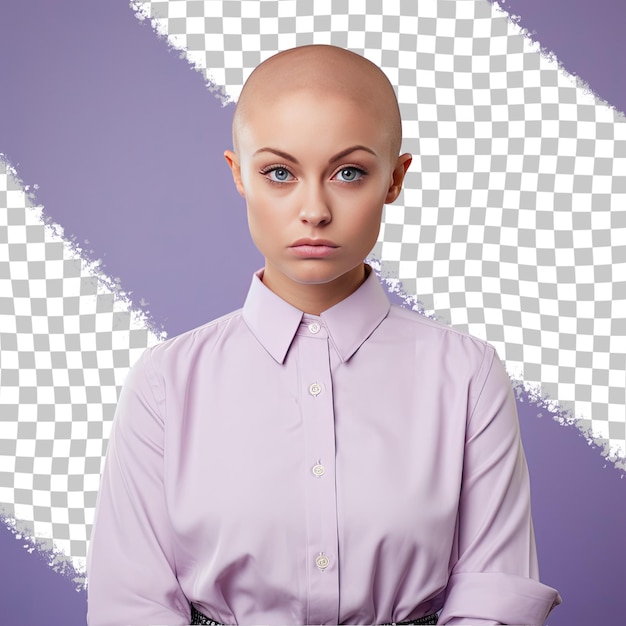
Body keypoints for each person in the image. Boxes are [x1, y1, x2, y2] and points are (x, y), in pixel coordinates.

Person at [86, 45, 561, 625]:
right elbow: (130, 605)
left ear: (394, 179)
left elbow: (496, 594)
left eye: (349, 172)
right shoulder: (166, 382)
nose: (314, 209)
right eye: (280, 173)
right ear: (240, 176)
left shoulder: (466, 374)